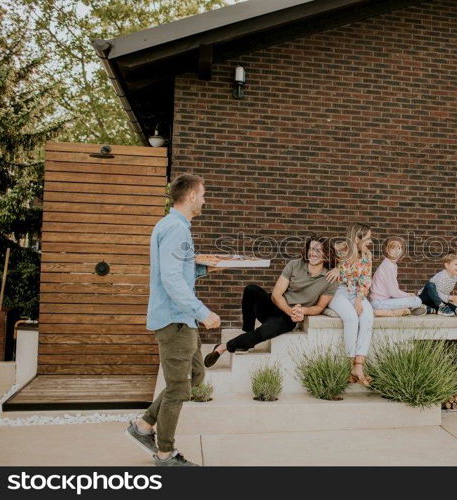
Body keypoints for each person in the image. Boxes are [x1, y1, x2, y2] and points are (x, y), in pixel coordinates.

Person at [125, 174, 221, 466]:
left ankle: (143, 426)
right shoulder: (175, 229)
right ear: (191, 196)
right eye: (202, 194)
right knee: (179, 388)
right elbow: (170, 280)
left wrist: (204, 269)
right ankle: (165, 454)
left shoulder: (175, 227)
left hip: (181, 320)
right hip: (175, 321)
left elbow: (178, 273)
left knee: (195, 376)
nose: (204, 200)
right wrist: (203, 313)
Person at [203, 235, 338, 366]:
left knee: (263, 332)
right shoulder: (295, 265)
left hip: (288, 319)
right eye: (311, 249)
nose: (313, 253)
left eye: (318, 250)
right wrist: (290, 311)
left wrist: (303, 310)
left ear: (326, 254)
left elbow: (320, 307)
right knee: (251, 290)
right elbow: (276, 295)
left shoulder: (330, 279)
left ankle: (222, 348)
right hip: (275, 305)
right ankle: (247, 333)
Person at [327, 223, 374, 387]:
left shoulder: (367, 254)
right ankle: (348, 364)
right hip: (337, 291)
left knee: (367, 317)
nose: (370, 241)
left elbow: (365, 279)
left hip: (356, 292)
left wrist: (359, 299)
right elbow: (327, 271)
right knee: (352, 319)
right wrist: (339, 269)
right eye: (367, 237)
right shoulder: (337, 250)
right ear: (356, 238)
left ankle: (358, 366)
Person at [369, 237, 427, 317]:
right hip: (379, 302)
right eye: (393, 247)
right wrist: (408, 295)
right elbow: (393, 292)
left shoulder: (391, 265)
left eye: (399, 248)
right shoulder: (387, 266)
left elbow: (393, 293)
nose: (396, 250)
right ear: (386, 249)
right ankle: (390, 311)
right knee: (417, 300)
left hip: (383, 300)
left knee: (414, 299)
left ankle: (403, 310)